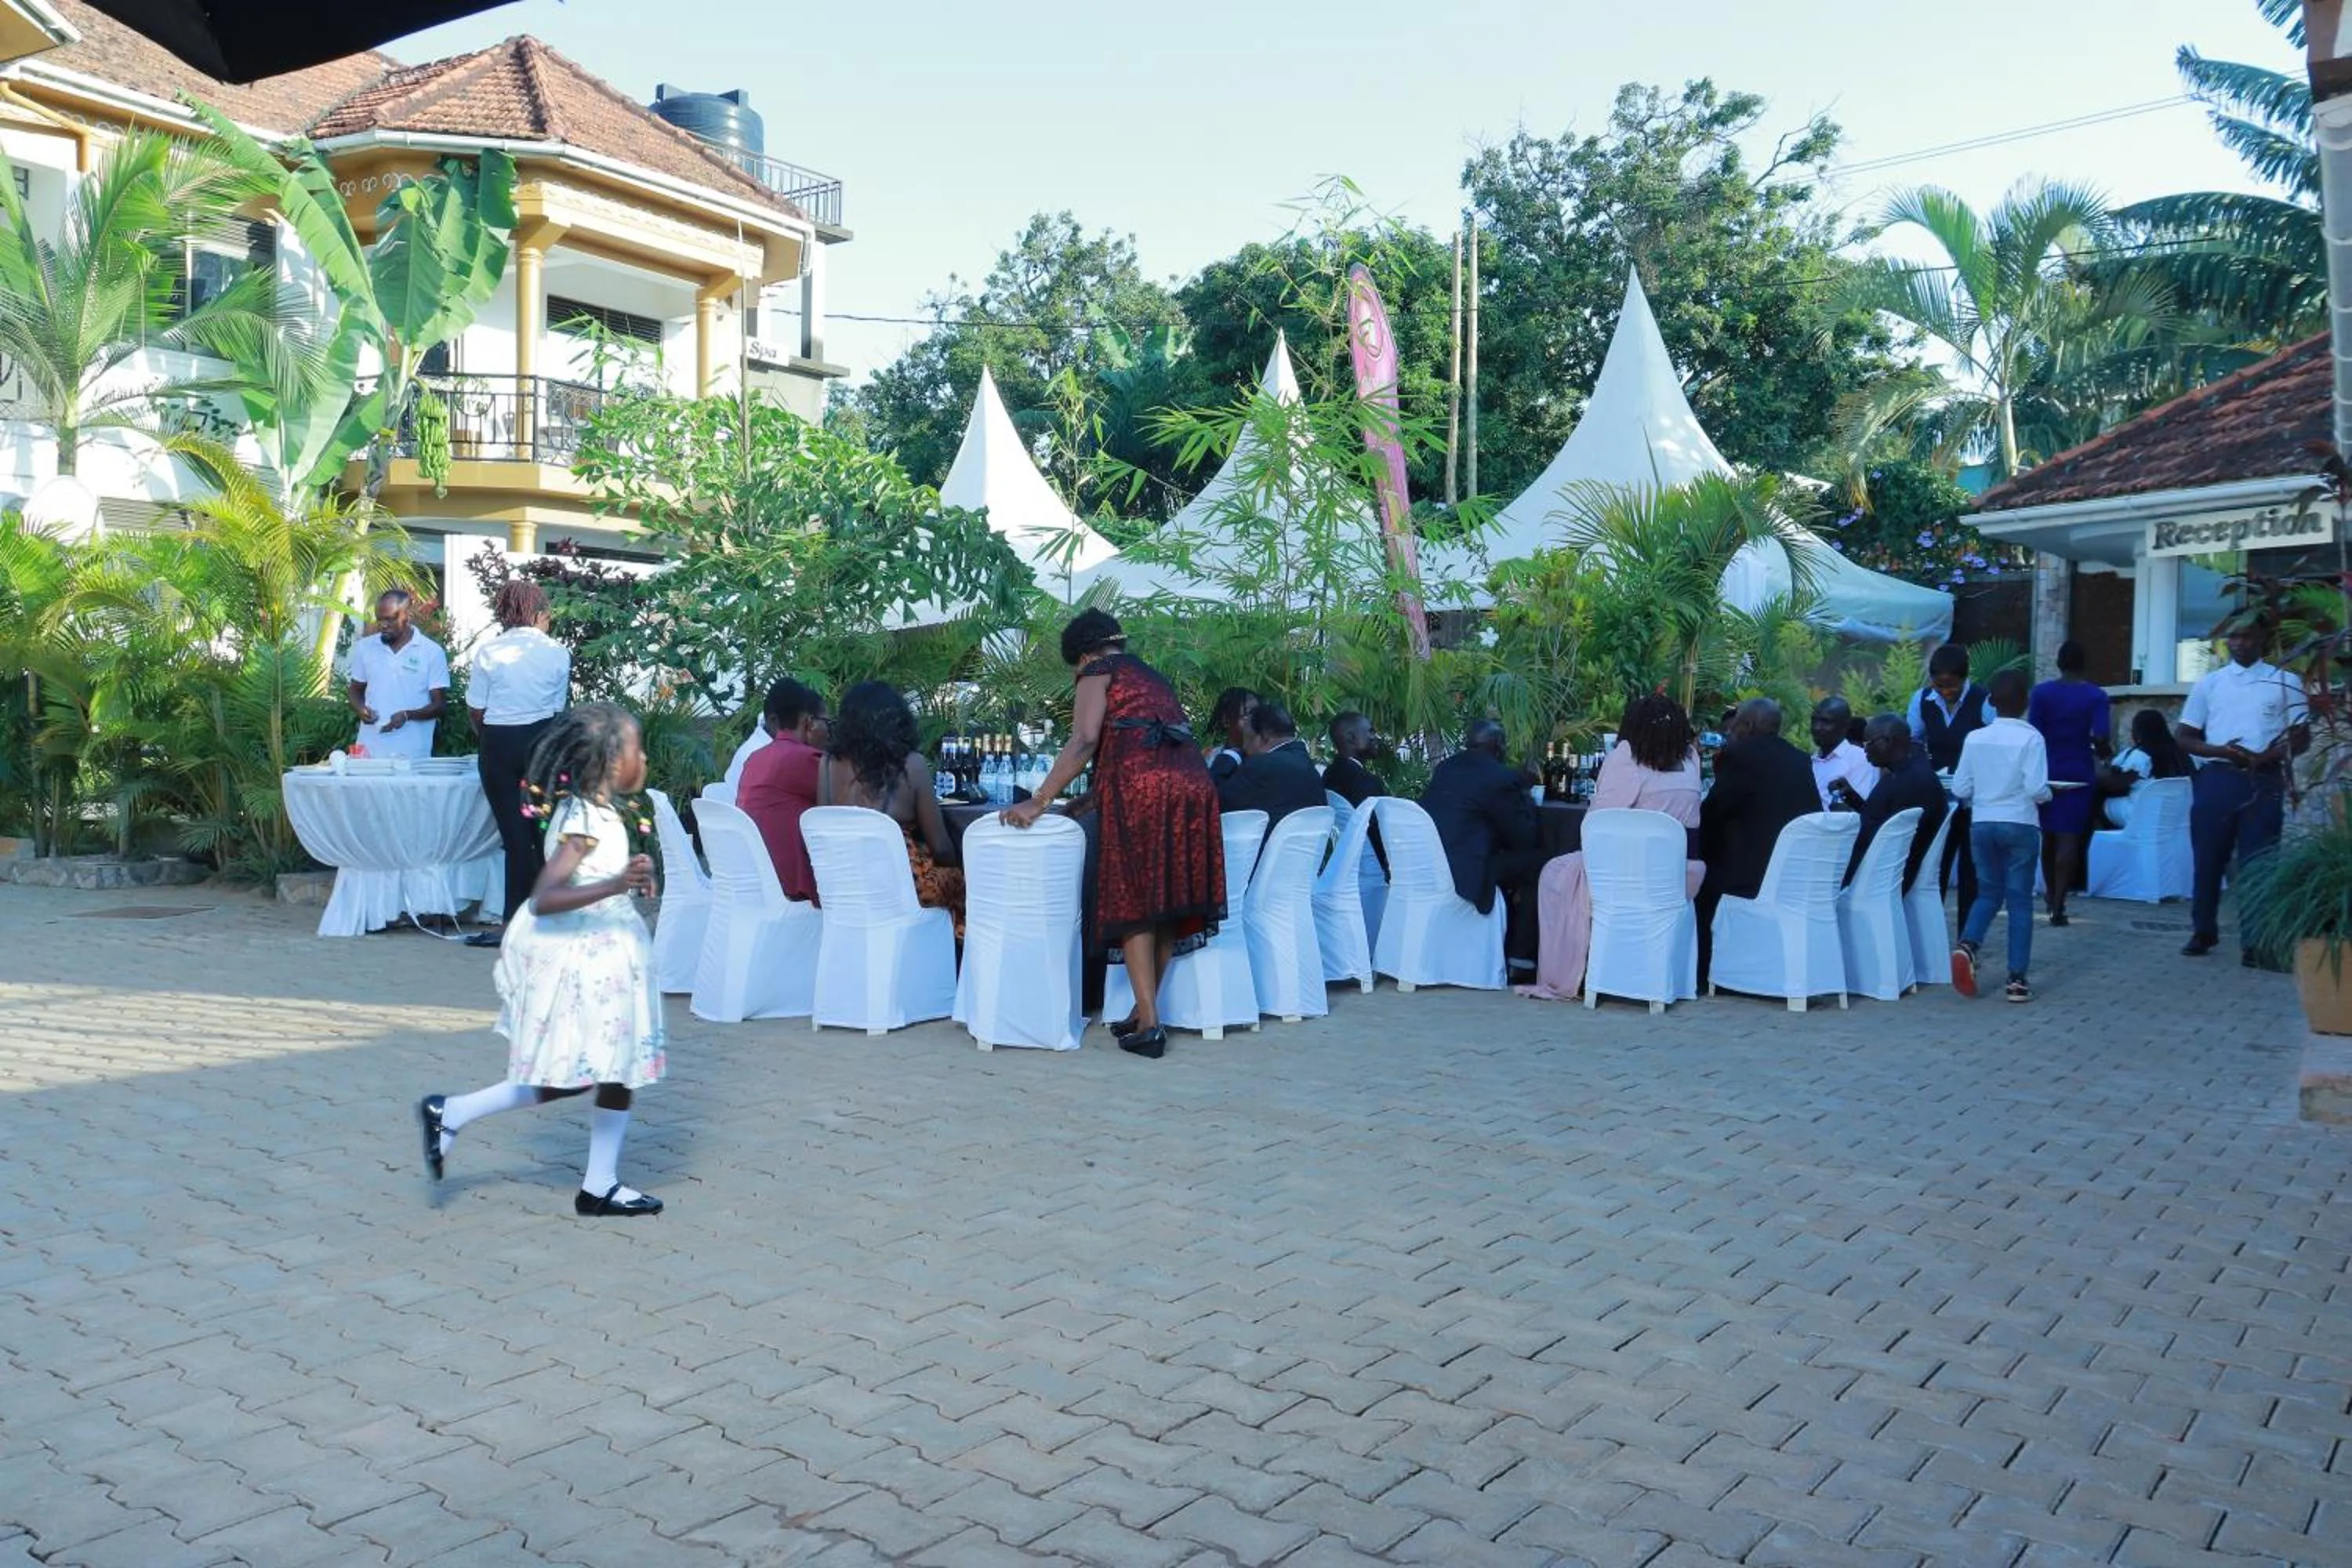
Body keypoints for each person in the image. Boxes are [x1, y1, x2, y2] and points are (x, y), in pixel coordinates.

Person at [416, 702, 667, 1217]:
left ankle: (599, 1185)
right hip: (584, 967)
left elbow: (592, 882)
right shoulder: (581, 821)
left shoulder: (601, 812)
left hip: (608, 964)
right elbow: (545, 896)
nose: (644, 757)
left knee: (614, 1071)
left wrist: (629, 881)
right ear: (612, 759)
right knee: (571, 1075)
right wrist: (616, 883)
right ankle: (454, 1112)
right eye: (637, 748)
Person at [1002, 610, 1225, 1061]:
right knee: (1164, 901)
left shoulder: (1096, 671)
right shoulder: (1150, 675)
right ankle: (1146, 1013)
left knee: (1134, 896)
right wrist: (1085, 801)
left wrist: (1040, 800)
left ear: (1083, 652)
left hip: (1144, 789)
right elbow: (1137, 739)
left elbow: (1084, 739)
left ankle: (1151, 1025)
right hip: (1192, 787)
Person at [1518, 692, 1704, 1002]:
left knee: (1555, 873)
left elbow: (1597, 824)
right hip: (1680, 878)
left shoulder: (1627, 757)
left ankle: (1565, 972)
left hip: (1630, 879)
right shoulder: (1691, 759)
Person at [2177, 622, 2310, 963]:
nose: (2238, 642)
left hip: (2264, 780)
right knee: (2208, 859)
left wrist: (2267, 756)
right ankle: (2203, 931)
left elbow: (2301, 737)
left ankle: (2255, 941)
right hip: (2218, 779)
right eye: (2233, 636)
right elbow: (2185, 736)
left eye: (2247, 635)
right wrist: (2221, 751)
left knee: (2259, 863)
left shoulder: (2285, 681)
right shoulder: (2211, 683)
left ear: (2262, 639)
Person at [464, 580, 572, 948]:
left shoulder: (489, 651)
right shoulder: (558, 652)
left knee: (514, 838)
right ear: (539, 613)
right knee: (543, 831)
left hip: (499, 742)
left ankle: (513, 923)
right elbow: (558, 710)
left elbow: (477, 709)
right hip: (543, 743)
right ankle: (548, 917)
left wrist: (492, 739)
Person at [820, 681, 964, 933]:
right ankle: (952, 961)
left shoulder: (828, 762)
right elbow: (941, 847)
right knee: (964, 886)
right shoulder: (912, 765)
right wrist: (956, 868)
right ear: (898, 721)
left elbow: (823, 829)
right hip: (898, 889)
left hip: (843, 886)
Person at [1697, 698, 1820, 983]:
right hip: (1795, 873)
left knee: (1697, 878)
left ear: (1748, 726)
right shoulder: (1800, 759)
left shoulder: (1741, 757)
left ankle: (1703, 971)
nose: (1730, 732)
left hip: (1753, 876)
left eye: (1735, 724)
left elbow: (1713, 813)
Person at [1951, 669, 2051, 1004]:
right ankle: (2017, 981)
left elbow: (1961, 788)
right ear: (2026, 702)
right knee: (2020, 901)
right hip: (2021, 823)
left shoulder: (1975, 738)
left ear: (1990, 701)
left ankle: (1968, 944)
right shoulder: (2032, 738)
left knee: (1988, 893)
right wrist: (2050, 794)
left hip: (1982, 823)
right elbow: (2037, 789)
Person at [1421, 719, 1544, 971]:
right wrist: (1525, 791)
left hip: (1432, 866)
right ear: (1499, 746)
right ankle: (1520, 958)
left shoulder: (1446, 768)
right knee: (1542, 865)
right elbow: (1524, 838)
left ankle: (1508, 944)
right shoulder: (1500, 778)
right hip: (1467, 873)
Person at [2027, 639, 2111, 926]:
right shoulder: (2096, 696)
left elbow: (2033, 733)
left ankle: (2050, 894)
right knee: (2069, 838)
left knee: (2048, 837)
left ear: (2059, 663)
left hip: (2046, 769)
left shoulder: (2041, 694)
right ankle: (2059, 903)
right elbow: (2100, 735)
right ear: (2083, 664)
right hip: (2078, 771)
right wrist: (2101, 750)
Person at [1910, 641, 1990, 914]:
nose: (1945, 692)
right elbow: (1913, 742)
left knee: (1971, 870)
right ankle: (1930, 931)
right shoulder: (1922, 701)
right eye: (1938, 686)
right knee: (1935, 868)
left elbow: (1993, 744)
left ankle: (1965, 943)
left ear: (1965, 679)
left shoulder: (1983, 701)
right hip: (1939, 799)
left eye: (1951, 686)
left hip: (1974, 801)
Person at [735, 678, 827, 903]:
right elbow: (852, 809)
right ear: (809, 722)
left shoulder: (755, 759)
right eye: (828, 722)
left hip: (759, 882)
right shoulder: (804, 759)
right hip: (796, 888)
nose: (829, 730)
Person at [1835, 713, 1948, 891]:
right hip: (1894, 870)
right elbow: (1885, 821)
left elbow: (1878, 835)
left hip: (1879, 877)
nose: (1864, 750)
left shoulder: (1906, 781)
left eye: (1867, 743)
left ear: (1887, 741)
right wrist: (1855, 801)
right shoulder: (1913, 770)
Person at [347, 588, 448, 760]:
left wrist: (407, 716)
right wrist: (360, 709)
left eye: (390, 619)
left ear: (407, 616)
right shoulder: (365, 648)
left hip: (412, 755)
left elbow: (440, 706)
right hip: (370, 753)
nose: (383, 625)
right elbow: (355, 689)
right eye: (380, 619)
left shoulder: (431, 652)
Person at [1217, 701, 1326, 833]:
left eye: (1246, 738)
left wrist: (1230, 755)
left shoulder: (1261, 766)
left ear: (1265, 735)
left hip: (1261, 851)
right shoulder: (1307, 765)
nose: (1244, 747)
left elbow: (1213, 801)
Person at [2097, 708, 2193, 830]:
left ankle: (2101, 843)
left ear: (2139, 732)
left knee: (2098, 802)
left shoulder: (2141, 755)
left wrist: (2095, 780)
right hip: (2175, 817)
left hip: (2143, 815)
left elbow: (2116, 785)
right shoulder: (2182, 754)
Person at [1809, 696, 1878, 811]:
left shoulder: (1860, 759)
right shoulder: (1810, 762)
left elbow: (1857, 812)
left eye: (1826, 722)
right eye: (1814, 720)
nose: (1816, 727)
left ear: (1845, 726)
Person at [1322, 712, 1387, 807]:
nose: (1375, 737)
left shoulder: (1328, 774)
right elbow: (1376, 820)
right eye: (1371, 732)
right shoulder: (1365, 781)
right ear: (1351, 737)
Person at [1204, 688, 1258, 782]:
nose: (1256, 722)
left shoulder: (1268, 760)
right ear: (1226, 720)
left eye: (1258, 715)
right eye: (1247, 716)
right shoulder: (1208, 759)